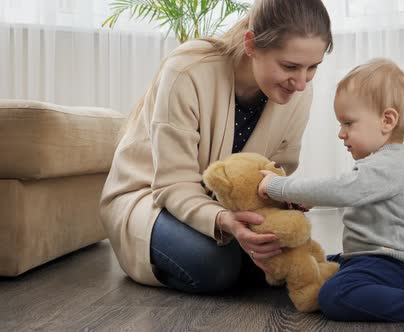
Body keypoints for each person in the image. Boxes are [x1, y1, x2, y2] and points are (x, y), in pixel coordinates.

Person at [99, 0, 333, 293]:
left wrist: (286, 196)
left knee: (282, 250)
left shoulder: (297, 93)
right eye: (290, 66)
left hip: (223, 208)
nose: (300, 83)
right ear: (251, 45)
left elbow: (273, 171)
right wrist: (225, 221)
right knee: (215, 265)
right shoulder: (187, 71)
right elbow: (174, 183)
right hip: (150, 200)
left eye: (313, 68)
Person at [258, 58, 404, 321]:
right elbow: (345, 190)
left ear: (387, 120)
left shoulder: (389, 164)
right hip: (366, 258)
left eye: (348, 123)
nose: (341, 134)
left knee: (334, 296)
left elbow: (343, 189)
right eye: (340, 125)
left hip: (395, 266)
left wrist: (280, 187)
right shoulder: (379, 163)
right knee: (312, 265)